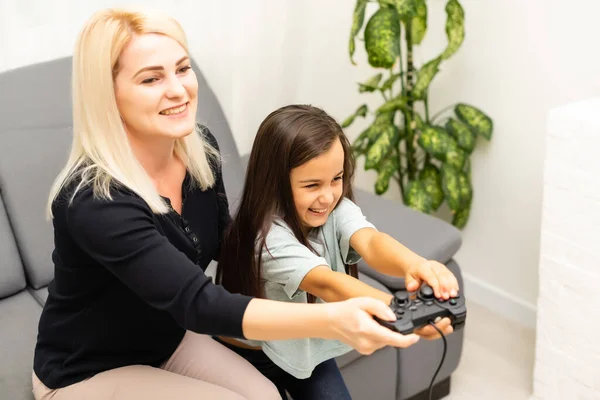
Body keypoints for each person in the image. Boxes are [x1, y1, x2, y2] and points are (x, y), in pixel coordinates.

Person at [30, 8, 427, 400]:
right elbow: (197, 303)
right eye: (151, 78)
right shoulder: (95, 201)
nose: (178, 89)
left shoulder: (199, 151)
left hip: (166, 340)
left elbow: (230, 243)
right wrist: (332, 319)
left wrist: (329, 270)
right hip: (86, 369)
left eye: (183, 69)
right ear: (108, 94)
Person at [215, 104, 460, 399]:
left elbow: (370, 242)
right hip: (252, 353)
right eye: (311, 185)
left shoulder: (335, 208)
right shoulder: (267, 240)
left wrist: (416, 264)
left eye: (336, 178)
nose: (328, 195)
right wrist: (402, 313)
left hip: (301, 344)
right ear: (275, 182)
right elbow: (327, 283)